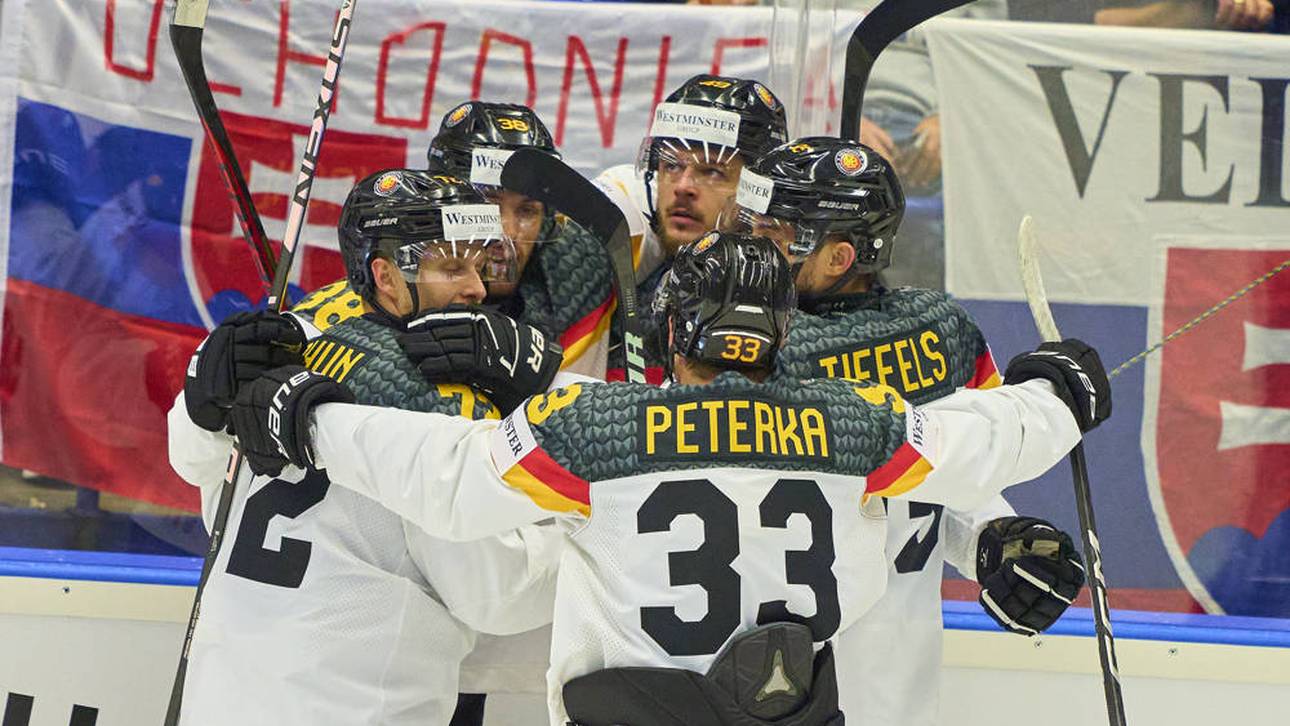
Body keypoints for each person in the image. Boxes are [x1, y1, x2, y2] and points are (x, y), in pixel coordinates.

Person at [228, 232, 1111, 726]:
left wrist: (312, 419)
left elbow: (447, 479)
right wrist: (1061, 393)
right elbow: (981, 438)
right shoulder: (854, 424)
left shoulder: (597, 427)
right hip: (792, 710)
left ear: (674, 331)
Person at [167, 170, 564, 725]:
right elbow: (495, 595)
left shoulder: (283, 345)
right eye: (452, 267)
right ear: (386, 276)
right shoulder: (434, 400)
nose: (477, 288)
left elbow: (194, 466)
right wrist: (585, 535)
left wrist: (196, 403)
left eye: (479, 265)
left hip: (220, 699)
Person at [722, 136, 1087, 725]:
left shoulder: (931, 339)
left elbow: (940, 473)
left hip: (884, 679)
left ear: (839, 258)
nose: (747, 250)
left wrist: (989, 536)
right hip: (756, 670)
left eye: (773, 236)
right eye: (749, 226)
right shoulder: (938, 336)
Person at [293, 101, 615, 378]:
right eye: (488, 203)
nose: (506, 232)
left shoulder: (582, 266)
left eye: (527, 210)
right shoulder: (364, 302)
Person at [596, 74, 788, 381]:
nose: (683, 187)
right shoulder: (623, 279)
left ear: (758, 189)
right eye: (671, 165)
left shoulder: (789, 302)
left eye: (713, 171)